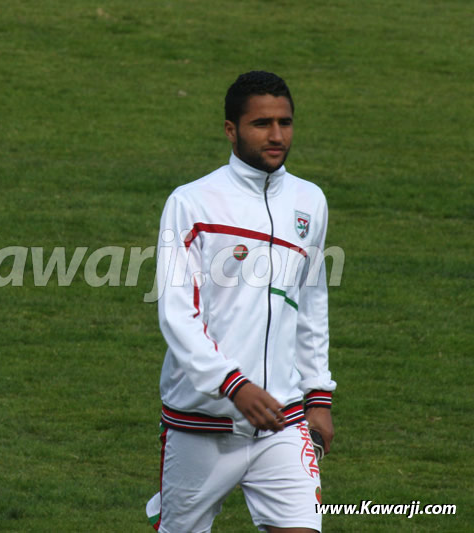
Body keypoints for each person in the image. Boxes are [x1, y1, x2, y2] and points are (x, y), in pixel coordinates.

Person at [146, 71, 336, 532]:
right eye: (261, 124)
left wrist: (319, 394)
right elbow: (177, 314)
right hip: (201, 423)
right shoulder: (192, 203)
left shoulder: (309, 201)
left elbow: (308, 304)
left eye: (285, 122)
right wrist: (234, 384)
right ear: (231, 130)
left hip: (282, 421)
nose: (276, 136)